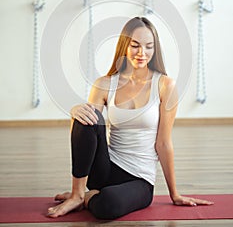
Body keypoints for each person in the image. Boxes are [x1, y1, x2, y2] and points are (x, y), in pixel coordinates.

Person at [48, 16, 213, 220]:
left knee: (108, 204)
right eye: (135, 45)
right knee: (86, 115)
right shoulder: (105, 84)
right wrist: (74, 111)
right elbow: (85, 130)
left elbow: (163, 143)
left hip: (139, 178)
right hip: (106, 169)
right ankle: (77, 194)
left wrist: (175, 194)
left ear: (155, 50)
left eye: (149, 47)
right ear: (124, 46)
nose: (142, 53)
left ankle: (89, 197)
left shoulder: (164, 85)